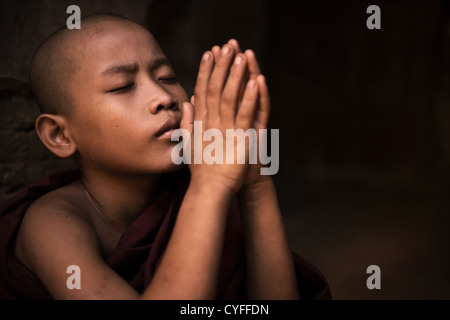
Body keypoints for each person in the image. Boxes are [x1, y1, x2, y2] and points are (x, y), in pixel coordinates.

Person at [0, 14, 331, 300]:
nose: (163, 98)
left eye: (167, 79)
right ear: (60, 135)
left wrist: (255, 185)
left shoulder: (185, 191)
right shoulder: (51, 223)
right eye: (122, 86)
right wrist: (209, 186)